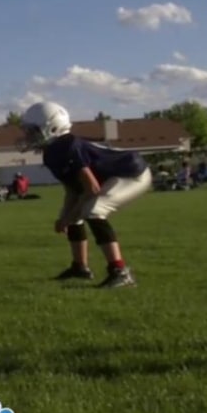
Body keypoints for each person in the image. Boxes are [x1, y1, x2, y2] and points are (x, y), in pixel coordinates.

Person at [20, 101, 150, 289]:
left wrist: (68, 218)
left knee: (94, 210)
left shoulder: (67, 147)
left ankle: (120, 272)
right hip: (109, 178)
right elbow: (73, 190)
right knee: (78, 213)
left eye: (32, 130)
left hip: (131, 174)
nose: (28, 135)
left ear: (53, 127)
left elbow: (92, 188)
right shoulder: (51, 152)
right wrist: (65, 216)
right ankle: (80, 267)